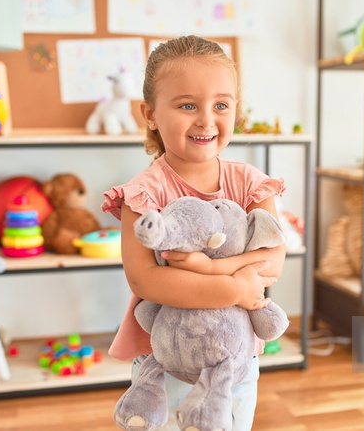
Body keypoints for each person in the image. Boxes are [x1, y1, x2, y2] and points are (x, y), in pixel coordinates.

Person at [102, 35, 286, 430]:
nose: (206, 119)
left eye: (221, 105)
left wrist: (210, 268)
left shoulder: (251, 182)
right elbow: (145, 279)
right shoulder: (143, 194)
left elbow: (272, 262)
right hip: (166, 365)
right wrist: (233, 288)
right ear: (149, 114)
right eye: (187, 105)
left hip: (235, 364)